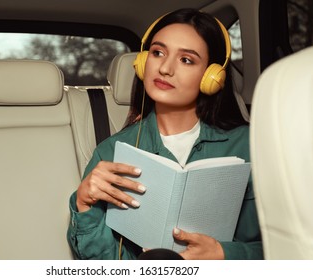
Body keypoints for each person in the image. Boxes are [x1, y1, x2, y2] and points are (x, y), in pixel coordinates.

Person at [67, 8, 263, 260]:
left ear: (211, 77)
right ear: (142, 63)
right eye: (158, 53)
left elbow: (292, 246)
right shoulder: (111, 152)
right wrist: (84, 204)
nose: (165, 69)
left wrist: (225, 254)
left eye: (186, 60)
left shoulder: (250, 145)